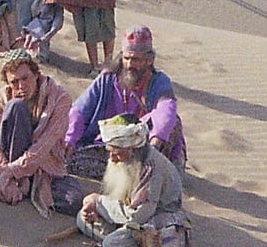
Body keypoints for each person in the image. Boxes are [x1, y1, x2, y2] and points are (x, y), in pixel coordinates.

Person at [76, 114, 199, 247]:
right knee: (82, 218)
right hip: (131, 219)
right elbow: (120, 199)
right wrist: (96, 209)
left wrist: (98, 202)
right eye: (110, 151)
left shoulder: (151, 167)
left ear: (132, 149)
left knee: (112, 244)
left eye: (117, 152)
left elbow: (138, 214)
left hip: (157, 221)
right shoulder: (125, 162)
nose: (112, 158)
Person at [63, 25, 187, 174]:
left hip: (143, 148)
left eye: (135, 59)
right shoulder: (107, 78)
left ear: (150, 60)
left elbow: (166, 110)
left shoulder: (159, 81)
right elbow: (79, 111)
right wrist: (70, 140)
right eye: (126, 58)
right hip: (108, 148)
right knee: (73, 161)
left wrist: (154, 145)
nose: (129, 64)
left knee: (174, 123)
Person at [0, 49, 83, 215]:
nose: (21, 86)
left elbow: (45, 144)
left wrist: (11, 172)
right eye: (14, 82)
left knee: (74, 201)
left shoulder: (59, 98)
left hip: (43, 165)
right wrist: (3, 172)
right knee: (16, 107)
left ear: (35, 74)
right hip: (9, 159)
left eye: (25, 78)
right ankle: (16, 185)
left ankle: (24, 185)